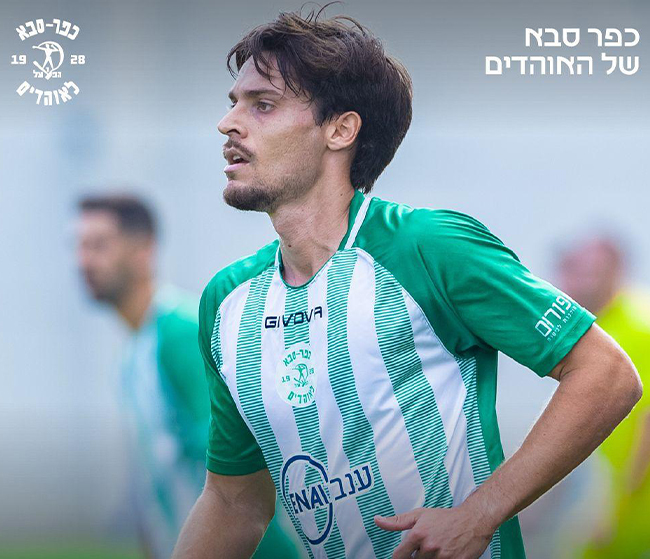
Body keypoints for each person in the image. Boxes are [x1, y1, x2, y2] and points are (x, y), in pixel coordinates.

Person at [172, 8, 641, 559]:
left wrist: (480, 514)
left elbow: (607, 374)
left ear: (340, 130)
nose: (228, 123)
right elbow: (233, 502)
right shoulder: (226, 302)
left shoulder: (428, 247)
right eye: (233, 103)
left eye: (263, 105)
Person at [76, 194, 304, 559]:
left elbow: (237, 470)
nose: (84, 261)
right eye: (80, 246)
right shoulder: (132, 356)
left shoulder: (181, 334)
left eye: (99, 245)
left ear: (144, 250)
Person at [557, 235, 650, 559]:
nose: (577, 282)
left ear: (614, 270)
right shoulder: (603, 325)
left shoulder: (637, 325)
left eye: (589, 272)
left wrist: (616, 506)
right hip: (611, 490)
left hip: (632, 504)